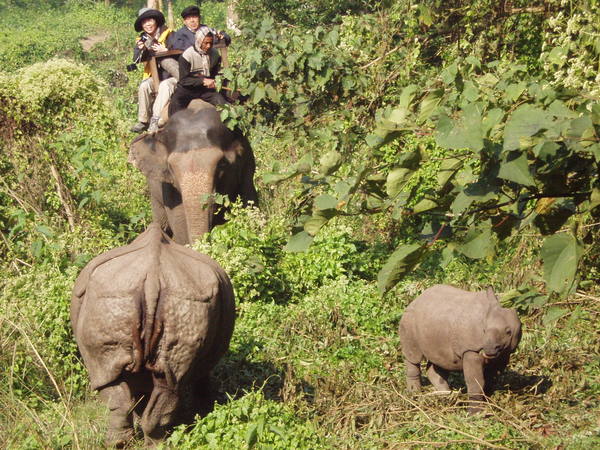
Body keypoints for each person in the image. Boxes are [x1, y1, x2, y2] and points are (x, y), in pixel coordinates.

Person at [130, 8, 177, 133]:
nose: (148, 24)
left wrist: (166, 50)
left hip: (172, 76)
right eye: (144, 22)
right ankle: (143, 120)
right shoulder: (142, 39)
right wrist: (141, 49)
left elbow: (180, 51)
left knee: (165, 86)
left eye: (150, 20)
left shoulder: (170, 34)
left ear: (155, 21)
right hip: (155, 75)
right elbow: (136, 59)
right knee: (144, 86)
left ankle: (155, 120)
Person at [168, 26, 227, 117]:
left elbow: (215, 74)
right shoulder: (187, 56)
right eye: (206, 43)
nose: (208, 46)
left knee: (221, 102)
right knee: (175, 102)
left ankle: (233, 128)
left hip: (205, 90)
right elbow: (184, 80)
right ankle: (172, 128)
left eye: (211, 43)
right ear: (199, 41)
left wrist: (215, 82)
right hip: (188, 89)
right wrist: (203, 81)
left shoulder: (215, 54)